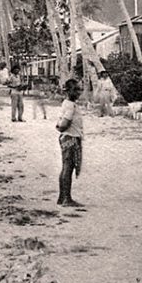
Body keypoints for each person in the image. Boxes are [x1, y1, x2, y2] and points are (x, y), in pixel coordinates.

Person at [56, 79, 84, 207]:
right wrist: (60, 128)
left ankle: (62, 197)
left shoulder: (67, 103)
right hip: (71, 138)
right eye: (75, 90)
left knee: (66, 168)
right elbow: (65, 123)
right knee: (68, 168)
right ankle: (67, 198)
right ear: (68, 91)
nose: (78, 92)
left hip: (67, 137)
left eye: (79, 89)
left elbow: (60, 123)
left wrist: (59, 127)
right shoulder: (71, 106)